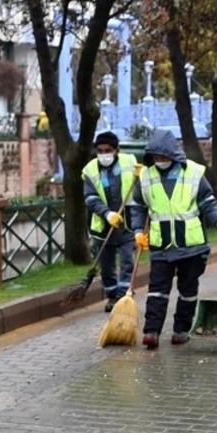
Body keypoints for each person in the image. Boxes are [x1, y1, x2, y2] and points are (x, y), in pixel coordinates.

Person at [128, 129, 217, 348]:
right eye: (156, 157)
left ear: (173, 154)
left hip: (191, 247)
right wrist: (138, 231)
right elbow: (138, 207)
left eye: (163, 156)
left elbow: (208, 202)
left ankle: (181, 330)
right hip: (161, 246)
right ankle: (151, 331)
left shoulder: (194, 173)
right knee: (157, 290)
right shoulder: (146, 177)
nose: (160, 161)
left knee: (188, 290)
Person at [82, 131, 138, 312]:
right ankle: (112, 295)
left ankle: (123, 295)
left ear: (116, 150)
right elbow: (90, 198)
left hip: (126, 223)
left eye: (108, 150)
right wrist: (107, 214)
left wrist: (142, 175)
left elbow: (141, 188)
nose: (104, 154)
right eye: (100, 150)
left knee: (127, 260)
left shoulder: (129, 162)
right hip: (103, 226)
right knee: (106, 265)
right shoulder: (90, 170)